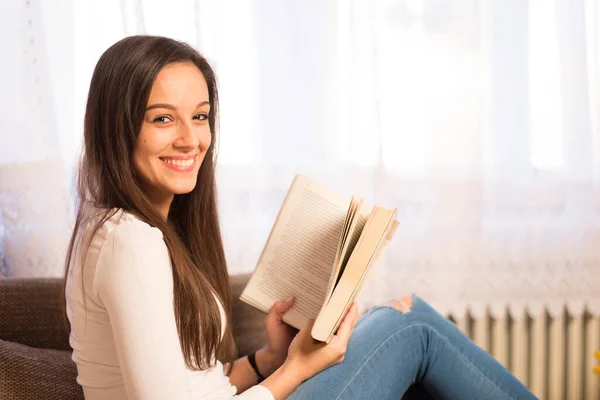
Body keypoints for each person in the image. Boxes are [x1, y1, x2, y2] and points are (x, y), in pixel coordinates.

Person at [63, 35, 537, 400]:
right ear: (118, 126)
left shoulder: (131, 232)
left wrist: (272, 358)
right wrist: (298, 369)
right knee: (407, 326)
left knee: (395, 326)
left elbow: (197, 384)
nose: (191, 139)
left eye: (201, 116)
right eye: (163, 118)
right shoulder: (130, 242)